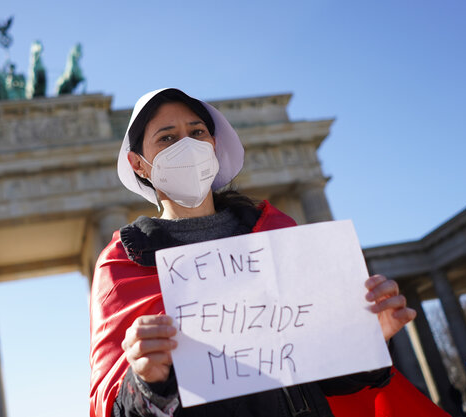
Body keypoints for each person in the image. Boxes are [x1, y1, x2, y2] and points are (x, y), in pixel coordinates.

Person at [89, 88, 441, 417]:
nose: (187, 145)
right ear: (138, 163)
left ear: (213, 144)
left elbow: (325, 376)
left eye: (197, 133)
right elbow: (113, 405)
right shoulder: (122, 262)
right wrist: (145, 381)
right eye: (167, 138)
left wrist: (365, 339)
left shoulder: (277, 231)